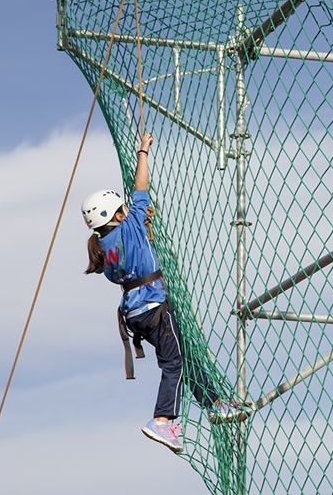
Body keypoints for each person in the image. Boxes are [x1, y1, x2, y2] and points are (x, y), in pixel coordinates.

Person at [81, 132, 251, 453]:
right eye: (123, 208)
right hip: (155, 308)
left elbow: (132, 253)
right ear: (118, 214)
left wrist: (142, 228)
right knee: (174, 363)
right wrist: (143, 151)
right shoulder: (129, 226)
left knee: (183, 356)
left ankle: (213, 402)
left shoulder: (102, 250)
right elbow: (141, 186)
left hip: (135, 314)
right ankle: (162, 419)